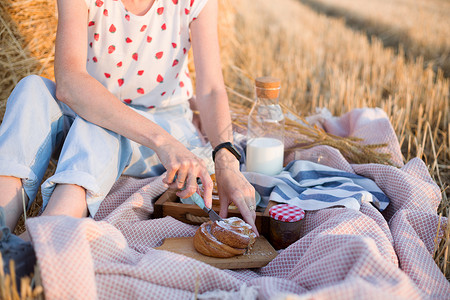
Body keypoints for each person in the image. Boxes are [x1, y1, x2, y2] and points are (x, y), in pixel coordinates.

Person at [0, 0, 258, 280]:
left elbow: (210, 90)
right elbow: (70, 82)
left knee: (97, 126)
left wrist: (226, 160)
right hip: (97, 106)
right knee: (31, 90)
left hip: (162, 120)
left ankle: (37, 246)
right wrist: (163, 142)